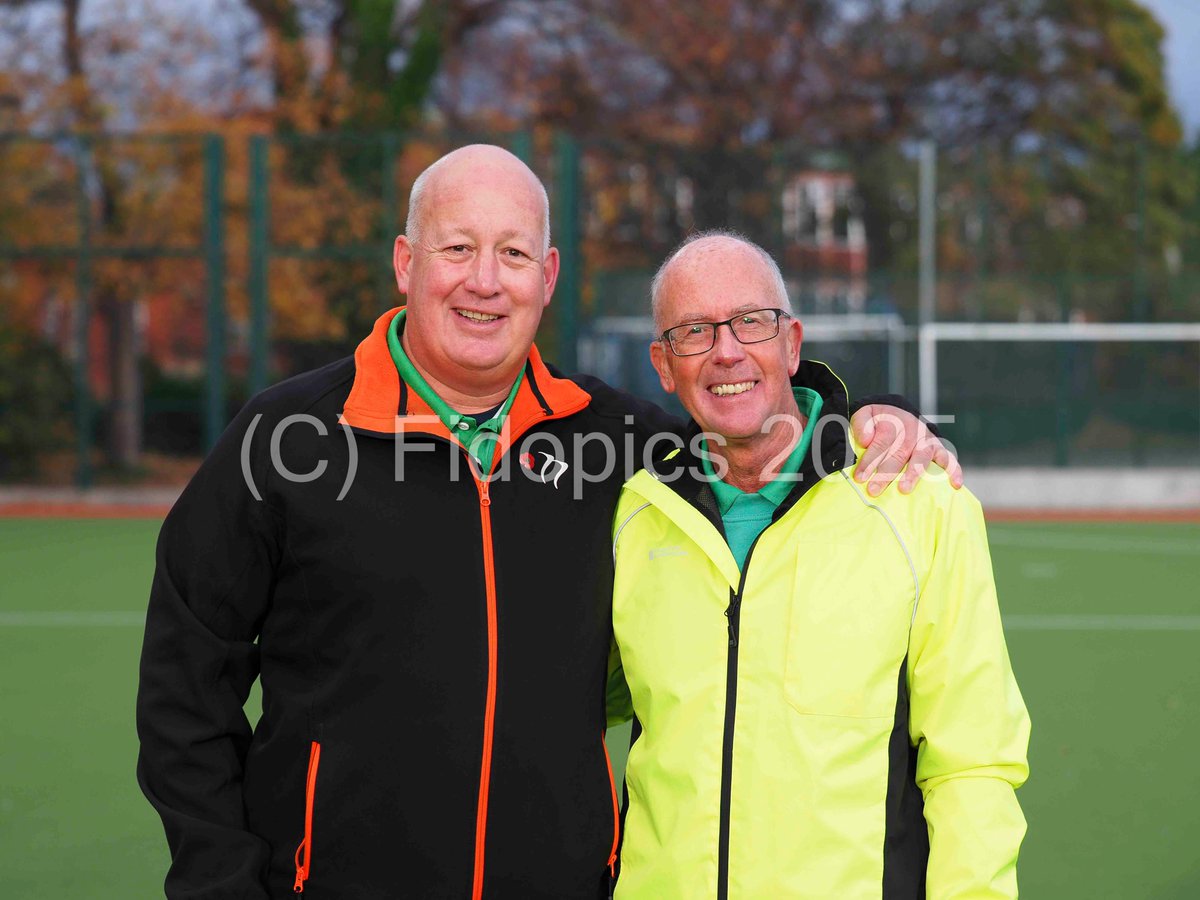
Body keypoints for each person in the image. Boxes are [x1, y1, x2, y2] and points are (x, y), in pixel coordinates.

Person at [136, 145, 959, 899]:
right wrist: (220, 881)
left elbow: (752, 419)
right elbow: (184, 681)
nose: (485, 281)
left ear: (549, 274)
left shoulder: (621, 442)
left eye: (514, 253)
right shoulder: (291, 439)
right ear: (405, 262)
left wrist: (870, 419)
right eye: (458, 248)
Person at [607, 233, 1030, 899]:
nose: (726, 350)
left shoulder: (918, 504)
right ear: (664, 364)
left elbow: (972, 761)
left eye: (751, 321)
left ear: (792, 343)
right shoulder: (632, 514)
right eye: (693, 332)